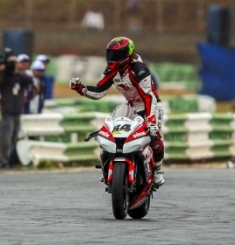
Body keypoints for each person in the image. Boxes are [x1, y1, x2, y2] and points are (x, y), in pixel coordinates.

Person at [69, 37, 165, 187]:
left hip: (150, 105)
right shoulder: (111, 70)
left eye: (116, 54)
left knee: (154, 136)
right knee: (111, 130)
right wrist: (82, 89)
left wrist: (151, 121)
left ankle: (158, 169)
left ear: (127, 55)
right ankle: (107, 166)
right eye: (110, 54)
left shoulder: (139, 70)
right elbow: (100, 91)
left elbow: (148, 97)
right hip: (130, 104)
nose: (112, 58)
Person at [0, 52, 33, 169]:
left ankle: (9, 160)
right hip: (7, 111)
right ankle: (4, 161)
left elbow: (29, 79)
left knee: (14, 138)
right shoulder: (5, 77)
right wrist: (3, 71)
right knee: (5, 138)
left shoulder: (20, 77)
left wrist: (17, 70)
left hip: (18, 111)